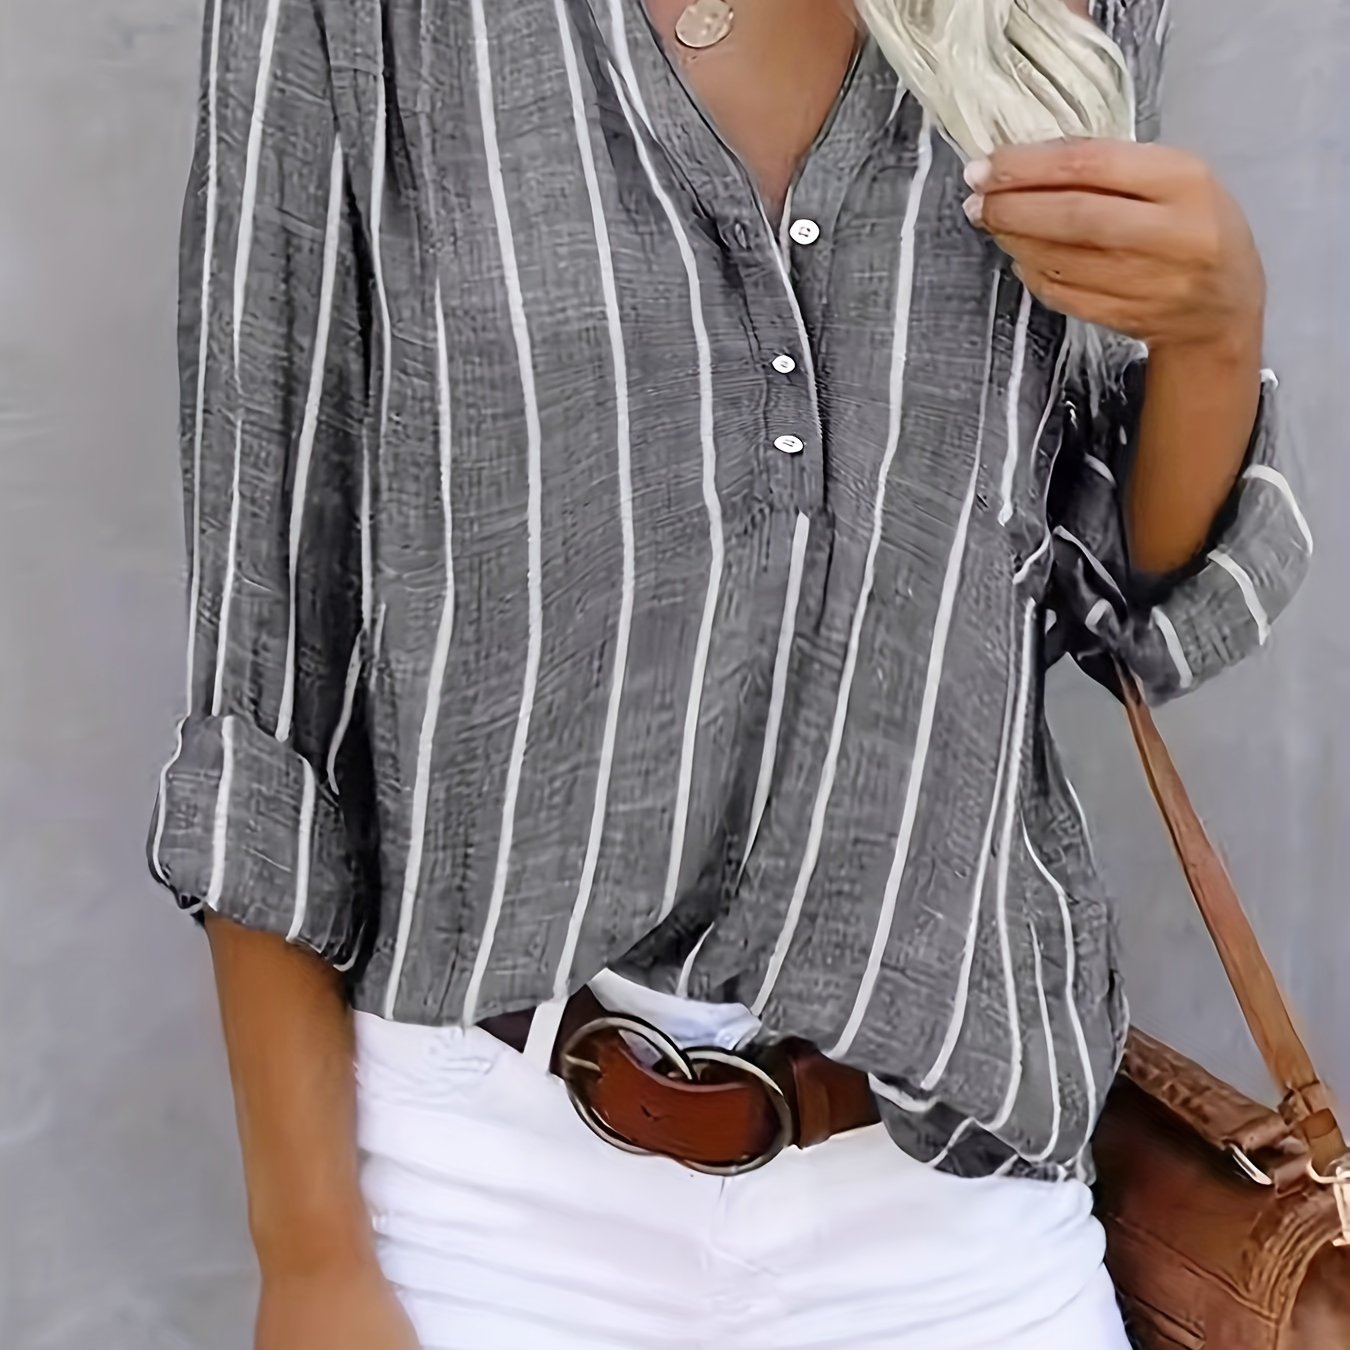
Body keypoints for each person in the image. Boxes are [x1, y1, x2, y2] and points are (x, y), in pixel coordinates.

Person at [148, 0, 1312, 1346]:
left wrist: (1214, 336)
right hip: (482, 1211)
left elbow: (1109, 589)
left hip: (946, 1208)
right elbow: (266, 648)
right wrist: (310, 1261)